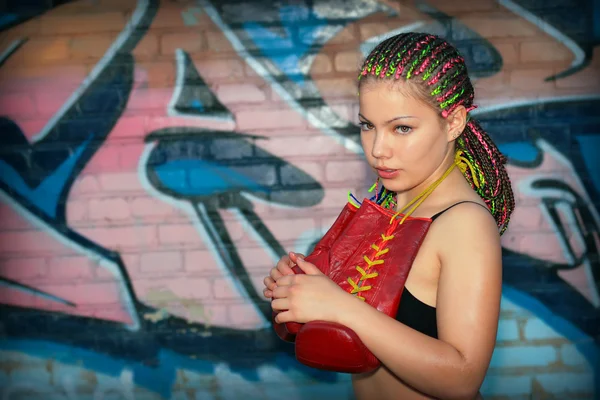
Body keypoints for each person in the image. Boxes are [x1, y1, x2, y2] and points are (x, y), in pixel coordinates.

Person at [262, 32, 515, 400]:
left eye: (402, 128)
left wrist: (340, 305)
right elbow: (355, 332)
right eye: (368, 126)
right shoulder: (387, 203)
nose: (379, 149)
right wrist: (302, 291)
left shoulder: (464, 223)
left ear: (454, 122)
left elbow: (463, 379)